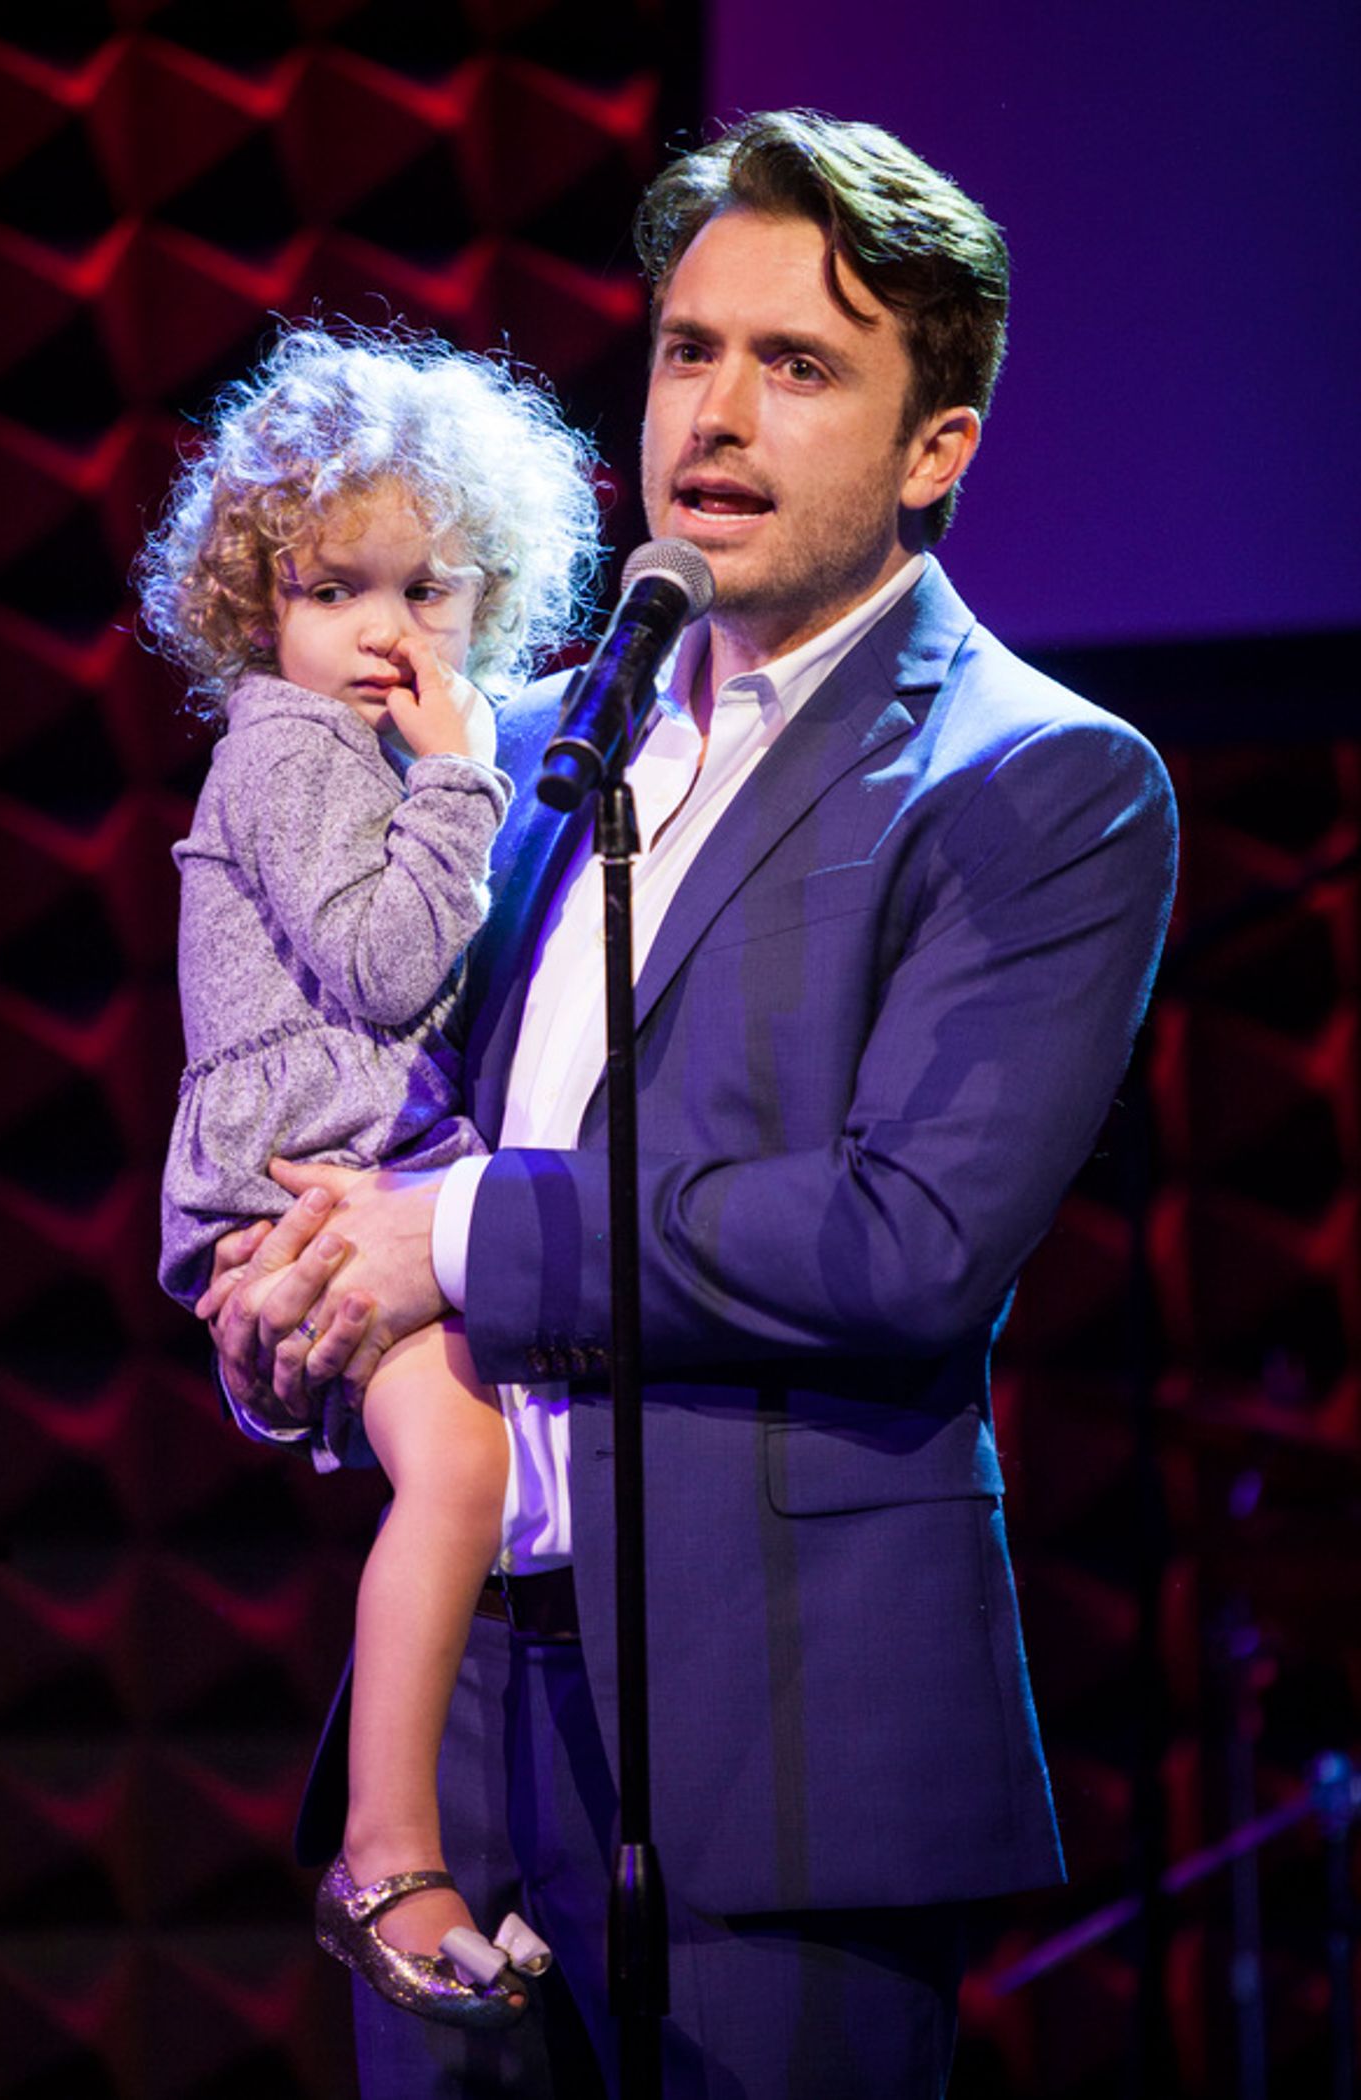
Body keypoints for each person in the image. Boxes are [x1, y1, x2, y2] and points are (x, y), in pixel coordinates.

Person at [204, 113, 1179, 2097]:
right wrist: (295, 1301)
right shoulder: (525, 741)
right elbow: (358, 1082)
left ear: (937, 449)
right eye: (687, 350)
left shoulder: (1038, 784)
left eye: (798, 366)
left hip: (785, 1750)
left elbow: (902, 1241)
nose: (716, 414)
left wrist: (452, 1242)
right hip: (469, 1729)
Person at [139, 322, 601, 2026]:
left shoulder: (373, 752)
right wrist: (468, 768)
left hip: (375, 1157)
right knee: (465, 1474)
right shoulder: (290, 746)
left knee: (492, 1471)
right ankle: (389, 1852)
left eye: (433, 596)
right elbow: (385, 961)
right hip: (308, 1171)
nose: (389, 639)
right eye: (342, 589)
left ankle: (483, 1853)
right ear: (261, 598)